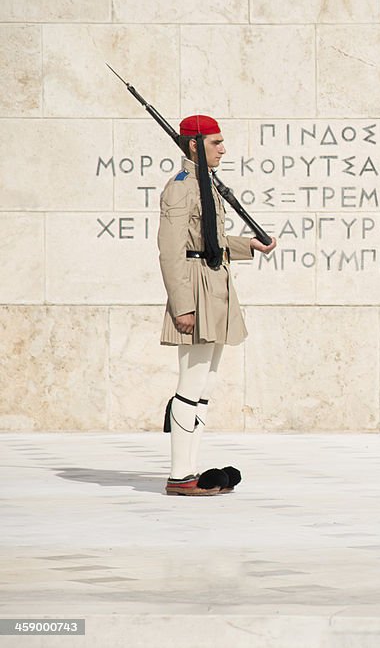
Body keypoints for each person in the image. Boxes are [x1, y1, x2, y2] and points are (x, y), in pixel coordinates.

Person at [158, 114, 276, 496]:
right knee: (189, 384)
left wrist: (249, 245)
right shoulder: (180, 188)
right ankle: (180, 475)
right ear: (194, 144)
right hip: (194, 289)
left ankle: (191, 469)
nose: (223, 149)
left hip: (215, 284)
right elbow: (172, 252)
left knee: (205, 384)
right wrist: (182, 307)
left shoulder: (204, 184)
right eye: (215, 143)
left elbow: (213, 238)